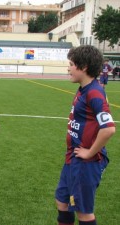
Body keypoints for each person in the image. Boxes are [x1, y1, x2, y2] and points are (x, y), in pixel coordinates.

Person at [55, 45, 116, 225]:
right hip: (72, 158)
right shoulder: (83, 88)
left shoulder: (94, 92)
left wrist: (89, 152)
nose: (68, 68)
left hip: (86, 163)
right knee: (62, 202)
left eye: (72, 64)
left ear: (84, 67)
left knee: (84, 213)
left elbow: (109, 128)